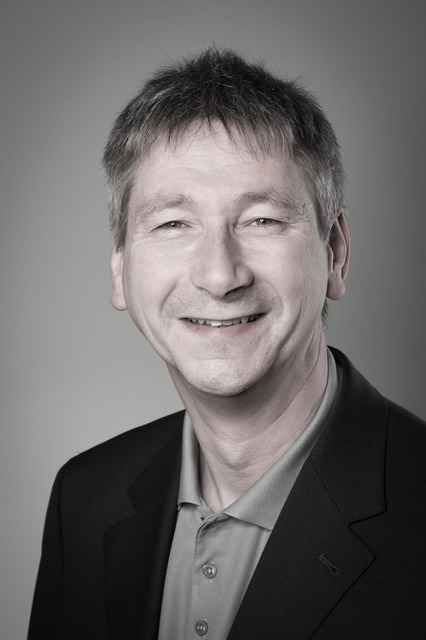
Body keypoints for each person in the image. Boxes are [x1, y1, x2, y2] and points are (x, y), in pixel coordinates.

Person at [28, 48, 426, 640]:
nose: (219, 276)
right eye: (173, 224)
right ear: (119, 270)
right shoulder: (85, 497)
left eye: (262, 220)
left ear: (335, 253)